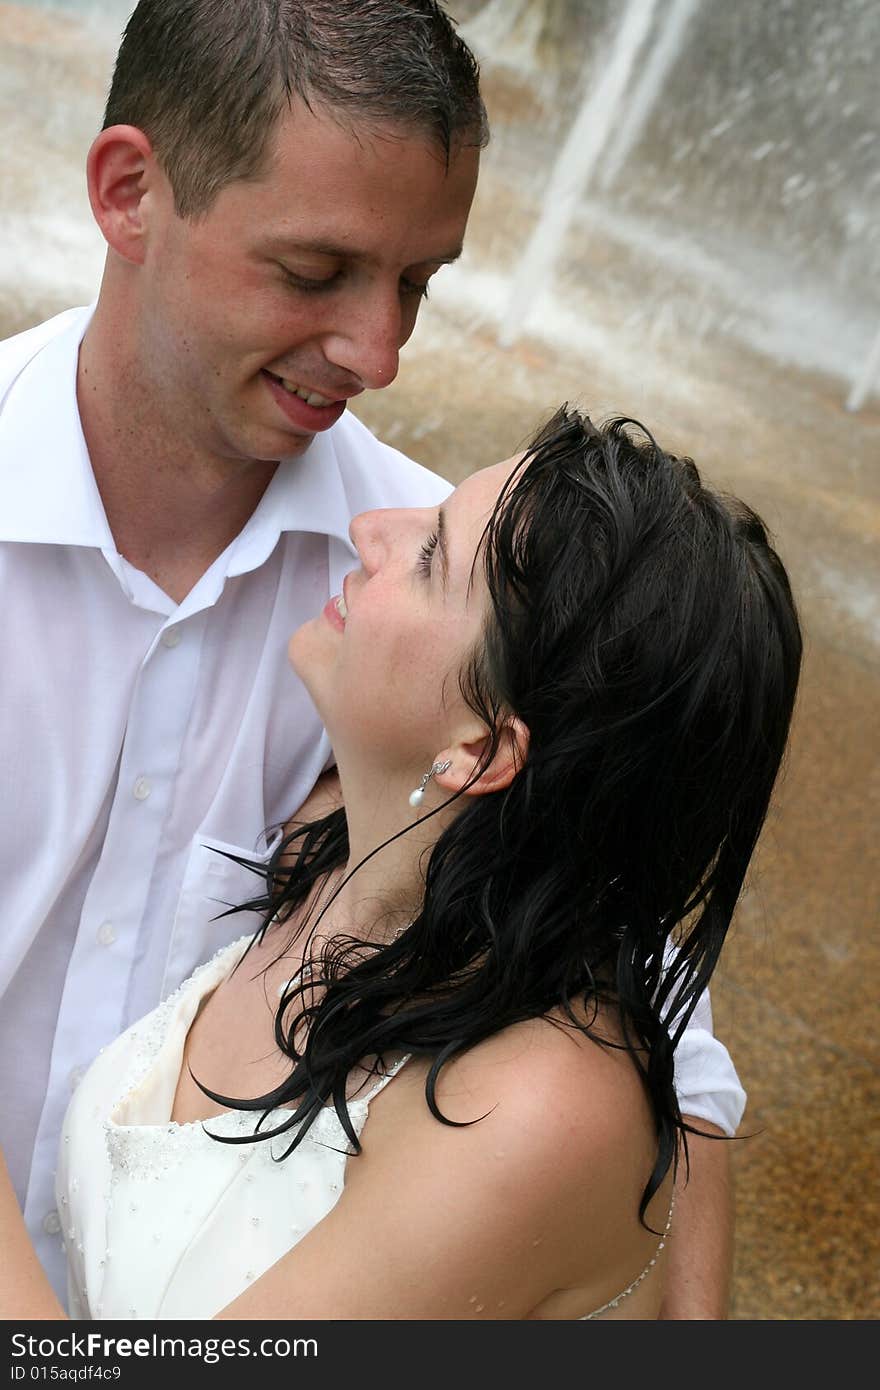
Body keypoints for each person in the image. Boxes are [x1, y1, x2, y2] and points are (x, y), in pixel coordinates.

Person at [0, 1, 742, 1316]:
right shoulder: (413, 596)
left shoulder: (414, 611)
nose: (380, 353)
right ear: (129, 192)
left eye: (418, 281)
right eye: (314, 271)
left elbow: (646, 1003)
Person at [0, 408, 802, 1320]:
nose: (373, 527)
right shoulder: (339, 840)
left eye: (429, 558)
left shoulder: (530, 1112)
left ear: (479, 751)